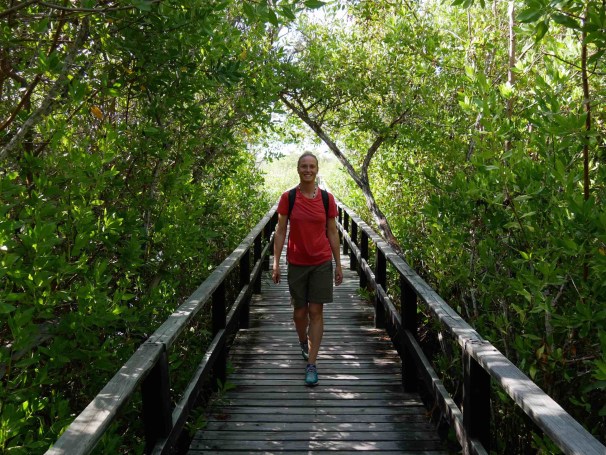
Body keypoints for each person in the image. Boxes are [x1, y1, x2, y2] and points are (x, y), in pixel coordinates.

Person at [272, 151, 343, 386]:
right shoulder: (288, 197)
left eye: (312, 166)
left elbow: (332, 231)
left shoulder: (327, 199)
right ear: (298, 169)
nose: (308, 170)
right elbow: (280, 231)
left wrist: (338, 264)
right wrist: (275, 263)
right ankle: (303, 340)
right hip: (296, 263)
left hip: (321, 261)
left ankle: (312, 363)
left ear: (317, 169)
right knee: (299, 313)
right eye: (304, 166)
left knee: (316, 311)